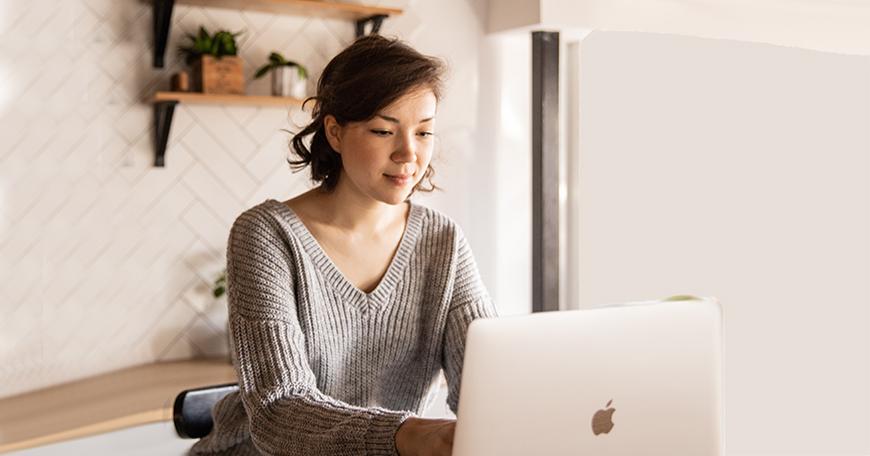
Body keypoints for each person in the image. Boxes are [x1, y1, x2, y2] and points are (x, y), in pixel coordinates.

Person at [188, 34, 498, 456]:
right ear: (334, 132)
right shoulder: (266, 235)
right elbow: (279, 412)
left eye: (424, 132)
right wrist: (406, 436)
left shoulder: (443, 242)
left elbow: (489, 382)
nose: (409, 153)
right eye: (383, 130)